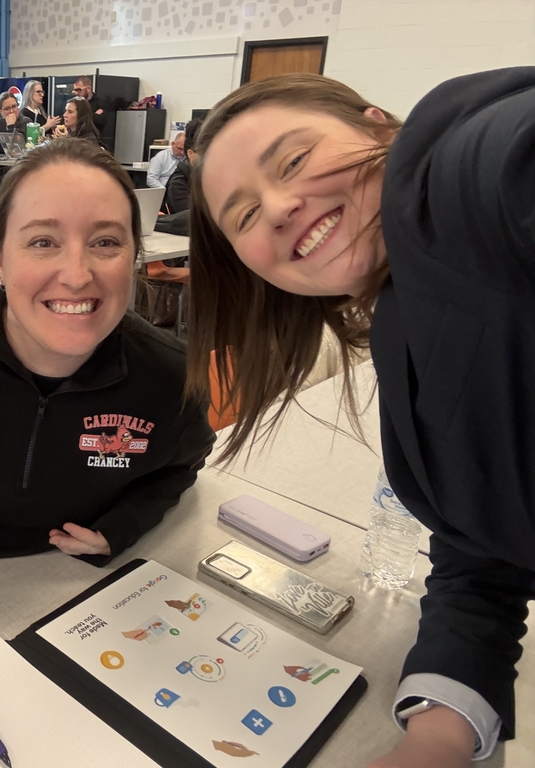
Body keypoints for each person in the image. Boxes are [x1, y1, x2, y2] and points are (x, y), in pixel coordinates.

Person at [188, 69, 535, 768]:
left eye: (293, 160)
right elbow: (480, 548)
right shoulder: (399, 321)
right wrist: (439, 733)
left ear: (380, 127)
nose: (282, 205)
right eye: (245, 216)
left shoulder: (465, 171)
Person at [0, 138, 215, 593]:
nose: (76, 275)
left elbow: (184, 462)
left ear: (135, 258)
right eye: (43, 241)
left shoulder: (169, 377)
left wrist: (125, 524)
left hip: (63, 591)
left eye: (105, 242)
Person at [162, 118, 201, 215]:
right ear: (190, 154)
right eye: (203, 152)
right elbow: (193, 218)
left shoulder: (206, 179)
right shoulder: (178, 184)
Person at [0, 91, 31, 155]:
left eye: (14, 106)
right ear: (1, 111)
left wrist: (11, 126)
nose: (11, 111)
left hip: (18, 162)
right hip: (0, 163)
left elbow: (14, 149)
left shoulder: (26, 122)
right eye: (7, 109)